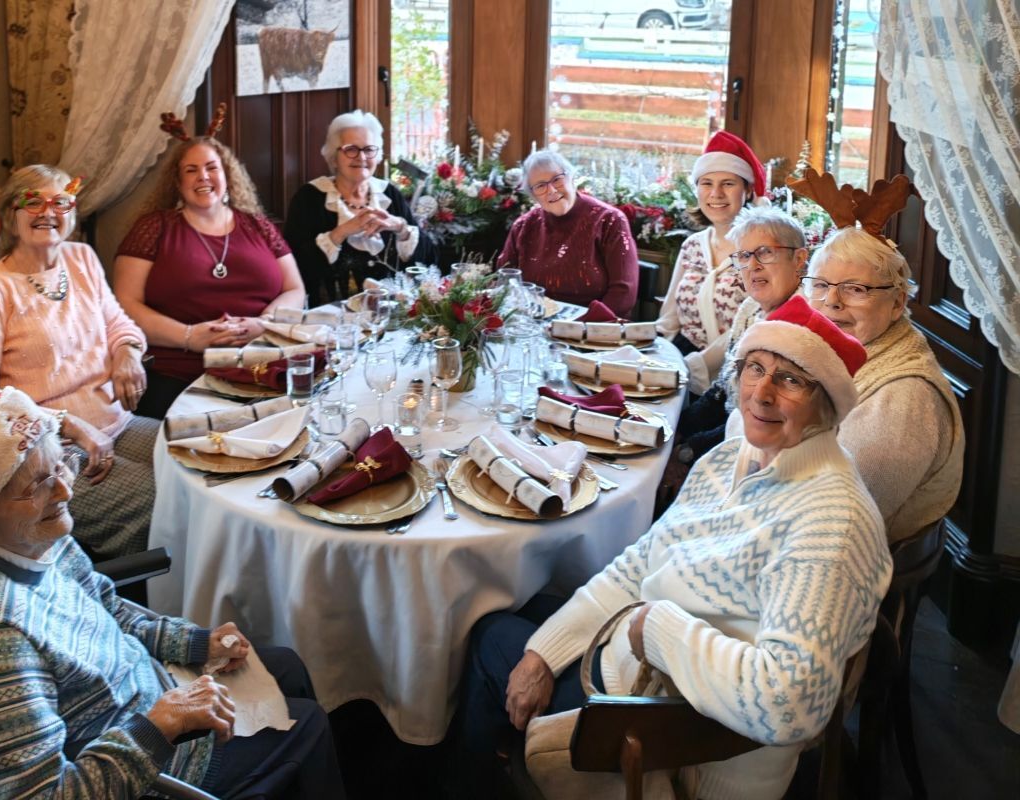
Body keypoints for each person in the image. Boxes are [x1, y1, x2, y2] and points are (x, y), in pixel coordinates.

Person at [449, 296, 891, 800]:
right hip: (634, 669)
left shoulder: (830, 523)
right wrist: (544, 655)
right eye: (755, 368)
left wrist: (658, 628)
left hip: (670, 743)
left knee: (487, 633)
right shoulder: (732, 458)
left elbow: (790, 705)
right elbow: (638, 565)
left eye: (791, 380)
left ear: (826, 406)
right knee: (517, 618)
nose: (762, 393)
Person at [0, 388, 345, 800]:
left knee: (287, 665)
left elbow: (105, 607)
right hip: (142, 759)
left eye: (60, 465)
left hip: (139, 696)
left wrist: (191, 642)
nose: (65, 490)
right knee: (307, 725)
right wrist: (161, 725)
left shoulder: (34, 538)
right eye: (38, 485)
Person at [0, 164, 154, 560]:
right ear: (10, 216)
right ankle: (139, 591)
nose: (48, 212)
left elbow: (118, 323)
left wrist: (128, 353)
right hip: (51, 450)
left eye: (60, 202)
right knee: (157, 501)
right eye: (33, 203)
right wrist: (69, 424)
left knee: (197, 468)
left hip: (118, 423)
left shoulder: (82, 259)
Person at [727, 227, 965, 542]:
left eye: (855, 289)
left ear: (897, 303)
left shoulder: (902, 398)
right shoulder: (823, 350)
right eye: (821, 285)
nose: (832, 302)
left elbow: (833, 518)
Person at [114, 132, 307, 419]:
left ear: (227, 175)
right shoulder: (153, 228)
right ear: (177, 183)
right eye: (191, 170)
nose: (203, 176)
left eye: (211, 167)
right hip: (177, 375)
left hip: (262, 367)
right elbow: (125, 305)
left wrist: (264, 324)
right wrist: (189, 337)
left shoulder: (259, 226)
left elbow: (295, 289)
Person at [671, 205, 808, 468]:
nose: (753, 265)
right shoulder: (750, 308)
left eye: (765, 252)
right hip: (724, 435)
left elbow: (759, 425)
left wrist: (686, 451)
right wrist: (675, 431)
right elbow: (721, 391)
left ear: (799, 259)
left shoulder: (800, 328)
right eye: (744, 256)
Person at [285, 109, 435, 305]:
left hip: (392, 313)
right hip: (329, 317)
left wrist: (400, 227)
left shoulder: (389, 194)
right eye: (351, 149)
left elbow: (429, 261)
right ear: (334, 157)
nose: (361, 157)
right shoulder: (310, 198)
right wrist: (341, 232)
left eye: (369, 149)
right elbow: (295, 267)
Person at [656, 131, 763, 356]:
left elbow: (755, 329)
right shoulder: (692, 246)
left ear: (748, 191)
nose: (716, 193)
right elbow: (668, 322)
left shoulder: (762, 253)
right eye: (706, 183)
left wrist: (699, 366)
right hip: (681, 357)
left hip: (737, 363)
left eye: (728, 184)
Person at [497, 149, 639, 317]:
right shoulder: (523, 226)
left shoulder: (610, 220)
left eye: (557, 179)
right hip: (533, 322)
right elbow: (506, 283)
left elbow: (624, 292)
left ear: (572, 178)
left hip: (594, 326)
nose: (551, 190)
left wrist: (580, 326)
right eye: (540, 186)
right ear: (533, 195)